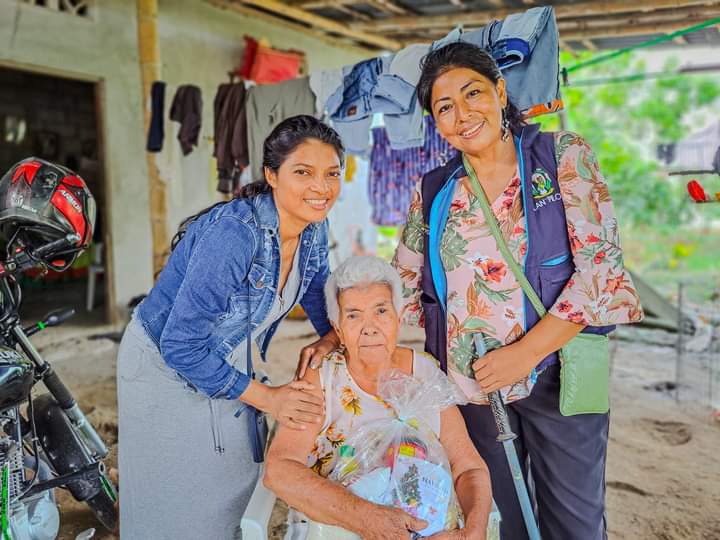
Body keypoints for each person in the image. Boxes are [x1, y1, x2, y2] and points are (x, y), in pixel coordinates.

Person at [393, 42, 643, 540]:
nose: (463, 115)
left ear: (501, 92)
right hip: (473, 387)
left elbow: (600, 269)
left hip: (561, 376)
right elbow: (399, 283)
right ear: (436, 123)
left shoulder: (561, 156)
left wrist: (524, 355)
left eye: (473, 94)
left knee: (575, 524)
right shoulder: (434, 189)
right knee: (500, 521)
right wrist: (340, 332)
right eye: (445, 107)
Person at [117, 115, 345, 539]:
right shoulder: (235, 235)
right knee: (177, 497)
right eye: (303, 172)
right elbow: (181, 345)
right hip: (163, 363)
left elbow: (319, 292)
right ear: (271, 175)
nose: (322, 187)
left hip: (221, 353)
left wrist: (332, 338)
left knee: (232, 479)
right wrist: (270, 398)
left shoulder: (314, 228)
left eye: (332, 173)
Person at [265, 256, 493, 540]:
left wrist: (474, 530)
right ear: (338, 329)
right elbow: (279, 470)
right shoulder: (321, 377)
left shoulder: (425, 373)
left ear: (398, 317)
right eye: (353, 315)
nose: (369, 327)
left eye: (381, 311)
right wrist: (368, 519)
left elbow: (468, 467)